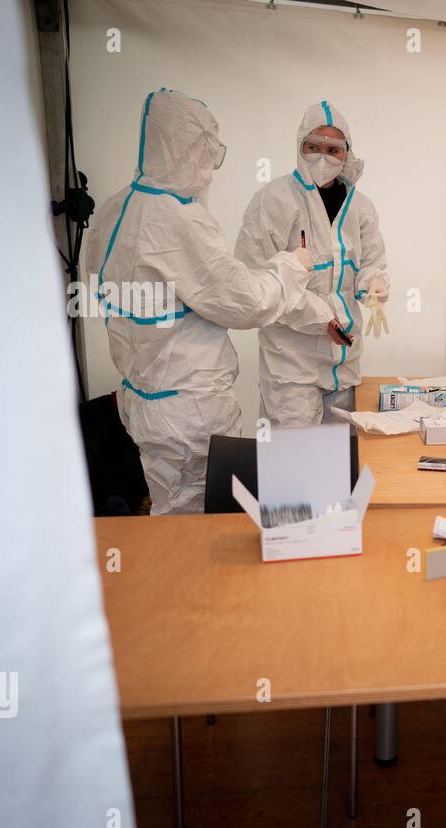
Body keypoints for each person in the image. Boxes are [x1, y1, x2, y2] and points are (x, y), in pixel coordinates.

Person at [82, 88, 338, 515]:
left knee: (173, 505)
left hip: (145, 396)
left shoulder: (114, 209)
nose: (211, 168)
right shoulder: (176, 220)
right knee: (196, 518)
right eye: (208, 152)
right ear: (188, 148)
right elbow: (245, 302)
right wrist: (292, 265)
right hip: (187, 409)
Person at [236, 101, 389, 427]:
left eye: (333, 149)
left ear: (346, 152)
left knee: (338, 458)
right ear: (299, 147)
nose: (322, 156)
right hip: (291, 362)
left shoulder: (360, 207)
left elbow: (372, 261)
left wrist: (373, 284)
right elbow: (253, 281)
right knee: (294, 460)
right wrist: (318, 316)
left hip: (344, 361)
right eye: (313, 147)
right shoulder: (273, 200)